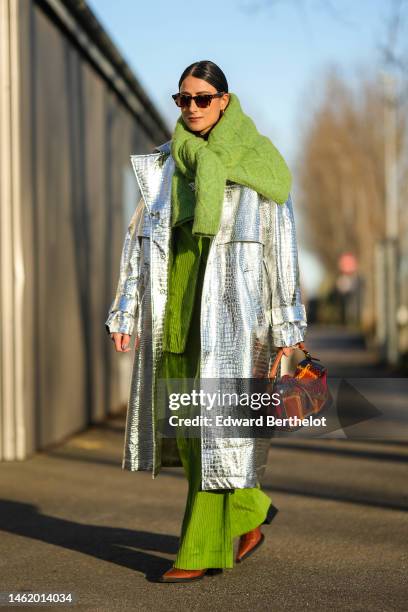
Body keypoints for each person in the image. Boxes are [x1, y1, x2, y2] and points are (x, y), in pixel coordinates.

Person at [105, 60, 308, 583]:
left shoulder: (259, 164)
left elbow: (281, 254)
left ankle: (198, 549)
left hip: (235, 325)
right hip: (174, 315)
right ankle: (249, 510)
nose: (191, 108)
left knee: (216, 431)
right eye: (183, 99)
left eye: (202, 98)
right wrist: (125, 309)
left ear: (224, 100)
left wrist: (288, 330)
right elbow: (138, 246)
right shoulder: (163, 166)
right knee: (198, 437)